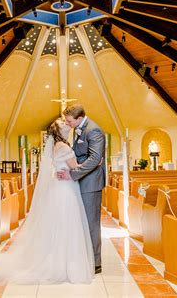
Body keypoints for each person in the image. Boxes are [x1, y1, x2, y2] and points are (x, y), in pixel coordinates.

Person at [0, 118, 95, 284]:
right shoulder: (63, 146)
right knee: (67, 224)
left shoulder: (57, 146)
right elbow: (75, 167)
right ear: (58, 131)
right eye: (63, 123)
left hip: (60, 187)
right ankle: (64, 264)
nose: (66, 124)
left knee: (60, 226)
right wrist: (93, 161)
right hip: (65, 189)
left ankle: (58, 260)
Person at [57, 104, 106, 275]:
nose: (67, 123)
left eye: (69, 121)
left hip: (91, 183)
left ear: (79, 118)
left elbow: (94, 159)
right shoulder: (79, 128)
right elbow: (84, 156)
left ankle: (95, 263)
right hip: (82, 180)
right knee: (82, 222)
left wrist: (73, 173)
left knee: (91, 223)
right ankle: (85, 258)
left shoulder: (93, 130)